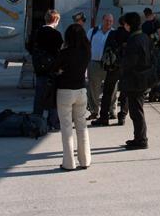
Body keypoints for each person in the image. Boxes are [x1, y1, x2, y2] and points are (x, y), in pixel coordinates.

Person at [49, 23, 92, 171]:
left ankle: (69, 162)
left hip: (65, 91)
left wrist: (61, 70)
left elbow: (54, 68)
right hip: (81, 90)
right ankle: (85, 160)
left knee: (66, 128)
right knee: (82, 126)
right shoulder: (87, 51)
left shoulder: (65, 52)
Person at [122, 12, 152, 149]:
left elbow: (130, 62)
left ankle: (141, 140)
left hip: (135, 80)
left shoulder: (133, 40)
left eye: (125, 24)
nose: (124, 27)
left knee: (136, 111)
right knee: (137, 110)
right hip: (143, 78)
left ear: (129, 25)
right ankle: (139, 137)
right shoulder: (144, 37)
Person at [31, 9, 63, 131]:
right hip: (52, 71)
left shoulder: (37, 32)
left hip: (39, 70)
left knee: (39, 97)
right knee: (53, 99)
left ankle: (36, 121)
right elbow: (59, 52)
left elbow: (31, 48)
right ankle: (53, 122)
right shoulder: (56, 35)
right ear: (55, 20)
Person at [85, 13, 113, 121]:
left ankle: (111, 110)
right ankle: (94, 111)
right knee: (93, 90)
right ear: (103, 20)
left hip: (109, 65)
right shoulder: (93, 31)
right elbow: (87, 45)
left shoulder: (114, 33)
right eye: (107, 20)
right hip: (94, 64)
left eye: (111, 21)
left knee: (112, 89)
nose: (109, 23)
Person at [142, 8, 160, 103]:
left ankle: (152, 95)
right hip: (157, 51)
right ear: (152, 14)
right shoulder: (156, 23)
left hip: (149, 52)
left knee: (152, 73)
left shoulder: (144, 26)